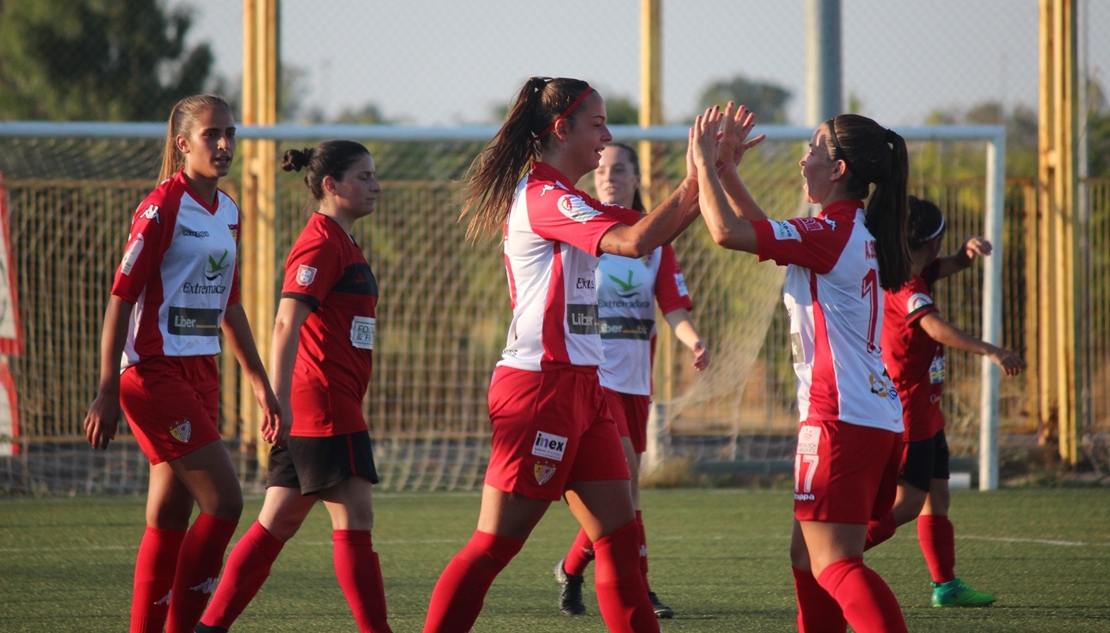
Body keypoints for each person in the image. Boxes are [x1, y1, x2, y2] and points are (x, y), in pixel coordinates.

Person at [422, 76, 703, 633]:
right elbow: (635, 242)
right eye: (597, 123)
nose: (607, 135)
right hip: (538, 390)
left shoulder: (572, 198)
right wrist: (702, 176)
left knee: (620, 542)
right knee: (493, 546)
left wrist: (709, 177)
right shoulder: (543, 196)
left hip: (585, 388)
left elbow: (651, 230)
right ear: (561, 128)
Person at [690, 103, 913, 632]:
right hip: (870, 415)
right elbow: (766, 229)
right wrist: (726, 172)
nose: (802, 158)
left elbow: (726, 232)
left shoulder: (831, 234)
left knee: (835, 564)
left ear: (838, 170)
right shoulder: (843, 230)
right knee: (805, 558)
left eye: (813, 149)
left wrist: (701, 165)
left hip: (841, 418)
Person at [82, 94, 281, 633]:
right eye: (211, 135)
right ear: (182, 144)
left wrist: (260, 384)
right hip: (153, 373)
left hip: (203, 372)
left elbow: (230, 305)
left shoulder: (230, 212)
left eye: (230, 135)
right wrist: (106, 387)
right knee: (225, 504)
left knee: (169, 516)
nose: (224, 145)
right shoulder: (160, 207)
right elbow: (121, 297)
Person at [194, 141, 392, 633]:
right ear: (331, 185)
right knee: (356, 518)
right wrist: (274, 398)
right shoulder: (321, 241)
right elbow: (286, 322)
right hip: (321, 404)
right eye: (363, 177)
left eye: (374, 176)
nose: (376, 185)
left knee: (278, 522)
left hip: (322, 402)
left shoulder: (342, 239)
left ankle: (208, 626)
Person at [553, 142, 709, 619]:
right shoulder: (585, 233)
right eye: (601, 168)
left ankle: (572, 566)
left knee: (619, 493)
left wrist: (693, 340)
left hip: (636, 382)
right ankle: (638, 588)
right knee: (627, 490)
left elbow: (673, 305)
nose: (608, 176)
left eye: (619, 169)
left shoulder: (654, 243)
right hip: (593, 378)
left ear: (636, 178)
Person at [864, 196, 1022, 608]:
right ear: (931, 244)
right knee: (910, 504)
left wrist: (967, 251)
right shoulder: (906, 285)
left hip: (928, 413)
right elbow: (934, 326)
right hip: (909, 412)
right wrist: (991, 350)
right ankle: (837, 554)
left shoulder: (913, 269)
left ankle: (945, 585)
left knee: (938, 497)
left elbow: (953, 265)